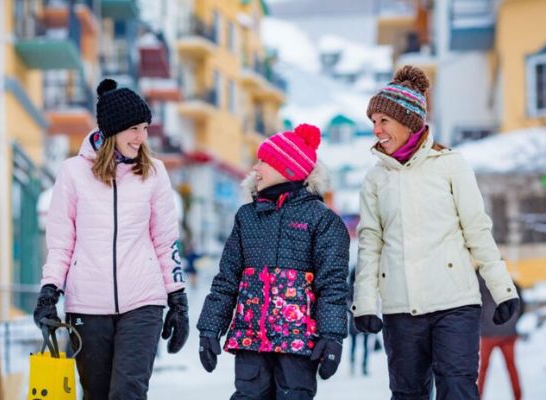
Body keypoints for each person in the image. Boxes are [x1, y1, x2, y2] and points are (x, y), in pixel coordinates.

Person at [352, 65, 520, 400]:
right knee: (408, 393)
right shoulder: (375, 179)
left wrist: (503, 289)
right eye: (373, 122)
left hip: (455, 304)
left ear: (407, 121)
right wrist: (366, 303)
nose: (376, 130)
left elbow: (477, 231)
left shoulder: (451, 165)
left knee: (457, 388)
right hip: (401, 309)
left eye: (383, 121)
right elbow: (370, 245)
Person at [33, 78, 189, 399]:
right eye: (134, 129)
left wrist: (178, 300)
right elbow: (62, 243)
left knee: (127, 393)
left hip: (143, 302)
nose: (142, 137)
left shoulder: (155, 173)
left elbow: (165, 242)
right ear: (112, 131)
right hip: (87, 306)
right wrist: (49, 293)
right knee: (97, 394)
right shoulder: (72, 173)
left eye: (145, 128)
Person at [197, 124, 350, 399]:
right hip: (250, 340)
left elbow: (333, 285)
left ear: (287, 168)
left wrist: (332, 335)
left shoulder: (322, 220)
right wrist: (209, 326)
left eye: (263, 161)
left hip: (298, 346)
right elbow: (227, 279)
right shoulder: (247, 217)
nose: (255, 168)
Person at [477, 274, 524, 400]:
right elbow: (520, 305)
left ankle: (478, 397)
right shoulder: (511, 281)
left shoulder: (477, 283)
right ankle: (518, 397)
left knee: (482, 369)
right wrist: (512, 322)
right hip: (508, 333)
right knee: (511, 366)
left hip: (487, 334)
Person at [347, 266, 370, 376]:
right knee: (358, 344)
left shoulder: (351, 289)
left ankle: (361, 366)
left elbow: (347, 305)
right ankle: (359, 366)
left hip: (358, 319)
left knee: (357, 344)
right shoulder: (361, 288)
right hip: (358, 319)